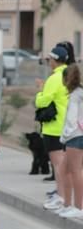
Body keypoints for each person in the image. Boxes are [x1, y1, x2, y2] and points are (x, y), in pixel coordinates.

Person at [38, 45, 71, 214]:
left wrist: (39, 93)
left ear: (55, 60)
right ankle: (67, 198)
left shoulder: (55, 78)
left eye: (50, 59)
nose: (48, 62)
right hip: (69, 127)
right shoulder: (72, 75)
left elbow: (43, 101)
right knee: (67, 165)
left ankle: (62, 198)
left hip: (54, 127)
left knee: (58, 165)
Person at [59, 64, 83, 219]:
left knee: (75, 171)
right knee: (65, 170)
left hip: (75, 136)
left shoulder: (75, 95)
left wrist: (64, 136)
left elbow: (71, 120)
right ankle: (68, 204)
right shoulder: (79, 92)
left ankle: (78, 207)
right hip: (77, 135)